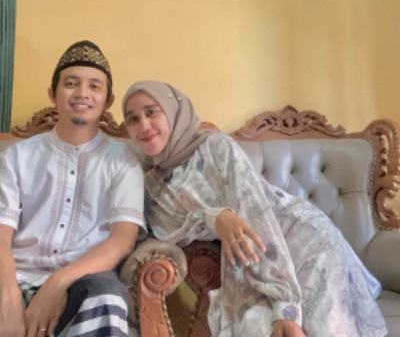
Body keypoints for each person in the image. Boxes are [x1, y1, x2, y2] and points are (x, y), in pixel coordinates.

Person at [121, 80, 387, 337]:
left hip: (299, 238)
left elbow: (256, 215)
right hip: (248, 255)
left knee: (320, 326)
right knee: (256, 324)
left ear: (173, 111)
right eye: (132, 119)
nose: (143, 125)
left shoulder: (216, 147)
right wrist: (214, 217)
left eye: (151, 112)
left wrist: (285, 306)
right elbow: (167, 231)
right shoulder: (151, 185)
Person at [0, 41, 145, 337]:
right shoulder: (16, 157)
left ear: (107, 100)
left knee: (106, 296)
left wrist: (57, 283)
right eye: (70, 83)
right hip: (17, 273)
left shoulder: (123, 162)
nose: (82, 93)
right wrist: (8, 295)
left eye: (94, 86)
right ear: (53, 94)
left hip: (84, 282)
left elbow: (122, 240)